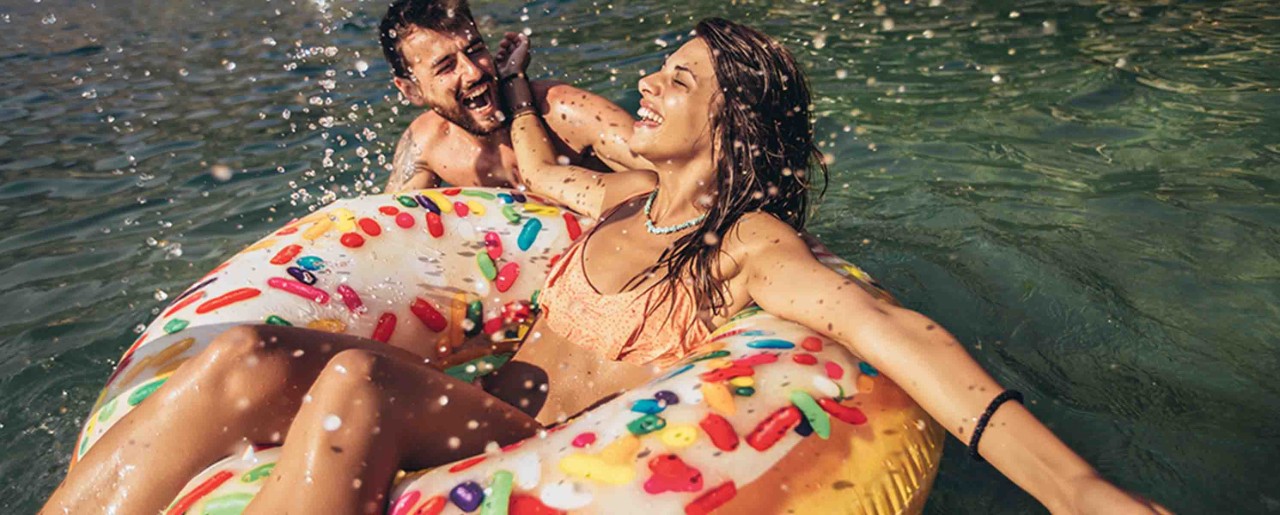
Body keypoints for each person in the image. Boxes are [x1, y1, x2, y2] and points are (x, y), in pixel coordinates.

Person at [42, 18, 1168, 515]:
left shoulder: (748, 250)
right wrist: (519, 98)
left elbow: (904, 339)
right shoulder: (611, 198)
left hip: (531, 450)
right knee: (240, 355)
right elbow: (536, 173)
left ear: (731, 126)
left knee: (349, 383)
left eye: (678, 80)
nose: (651, 87)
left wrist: (1077, 490)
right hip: (475, 404)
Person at [377, 0, 644, 192]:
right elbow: (386, 228)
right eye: (446, 66)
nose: (472, 72)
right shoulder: (427, 145)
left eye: (475, 50)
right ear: (411, 90)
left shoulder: (564, 112)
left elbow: (677, 177)